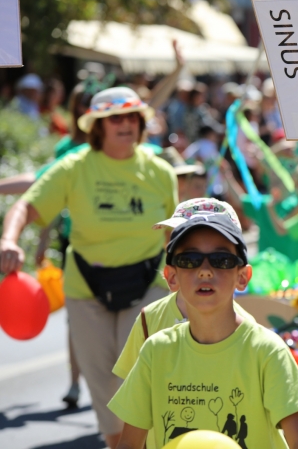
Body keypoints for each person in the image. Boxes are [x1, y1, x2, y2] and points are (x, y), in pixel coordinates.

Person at [0, 86, 177, 448]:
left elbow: (173, 236)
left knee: (139, 378)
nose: (126, 124)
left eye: (132, 117)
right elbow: (25, 207)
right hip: (87, 289)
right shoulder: (73, 167)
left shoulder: (161, 172)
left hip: (147, 285)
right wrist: (9, 240)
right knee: (103, 387)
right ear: (97, 126)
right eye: (115, 118)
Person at [108, 200, 298, 449]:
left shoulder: (266, 350)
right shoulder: (155, 351)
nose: (205, 271)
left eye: (221, 260)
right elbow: (129, 443)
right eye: (190, 260)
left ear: (243, 277)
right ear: (171, 277)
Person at [112, 198, 256, 449]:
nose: (203, 267)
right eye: (189, 254)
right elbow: (135, 402)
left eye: (218, 257)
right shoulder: (148, 319)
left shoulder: (246, 331)